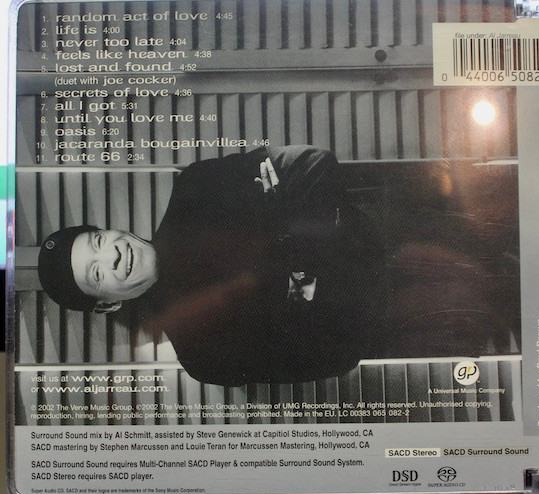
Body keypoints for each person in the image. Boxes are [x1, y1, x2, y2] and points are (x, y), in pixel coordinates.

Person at [38, 145, 385, 386]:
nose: (112, 255)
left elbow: (315, 162)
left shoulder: (198, 186)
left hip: (390, 225)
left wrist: (296, 264)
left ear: (111, 230)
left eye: (98, 242)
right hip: (395, 315)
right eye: (97, 273)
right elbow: (337, 356)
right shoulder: (203, 357)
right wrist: (286, 230)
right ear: (107, 304)